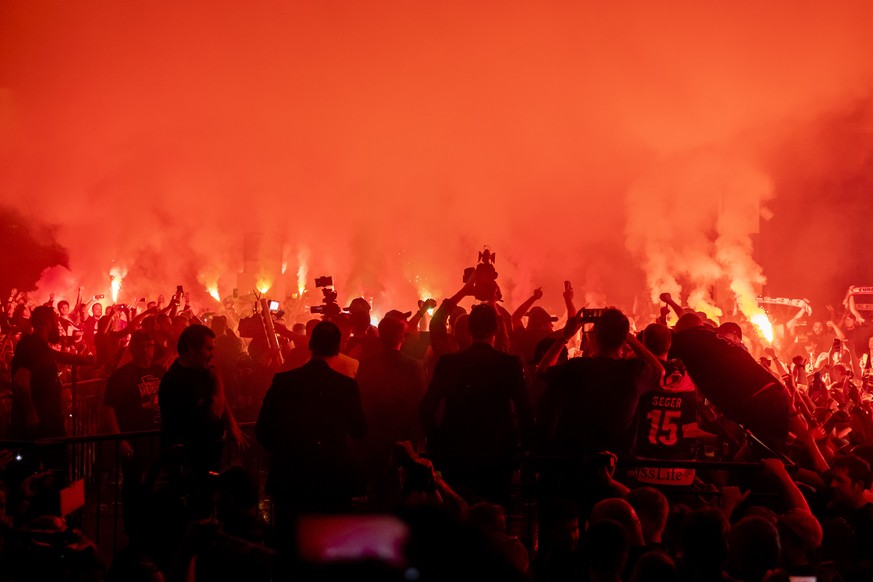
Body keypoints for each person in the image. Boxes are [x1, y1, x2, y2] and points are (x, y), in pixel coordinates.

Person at [255, 321, 367, 534]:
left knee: (290, 545)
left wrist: (287, 452)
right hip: (332, 480)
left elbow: (263, 430)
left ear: (311, 345)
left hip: (290, 481)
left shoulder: (283, 381)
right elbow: (359, 430)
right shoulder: (346, 386)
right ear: (337, 348)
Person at [420, 303, 534, 506]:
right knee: (493, 513)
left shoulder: (449, 363)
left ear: (470, 329)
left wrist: (437, 442)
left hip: (456, 452)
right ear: (496, 330)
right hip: (497, 453)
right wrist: (524, 448)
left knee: (457, 512)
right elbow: (524, 410)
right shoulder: (509, 364)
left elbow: (427, 407)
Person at [158, 324, 245, 516]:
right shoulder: (177, 380)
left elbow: (220, 401)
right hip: (190, 458)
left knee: (209, 502)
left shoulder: (203, 371)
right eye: (209, 348)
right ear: (191, 348)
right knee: (197, 509)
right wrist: (219, 380)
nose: (212, 354)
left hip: (209, 452)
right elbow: (214, 410)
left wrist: (230, 422)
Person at [356, 316, 427, 509]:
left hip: (376, 433)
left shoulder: (367, 364)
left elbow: (361, 398)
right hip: (404, 434)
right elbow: (419, 400)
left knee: (378, 487)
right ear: (402, 338)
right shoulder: (414, 366)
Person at [102, 330, 165, 536]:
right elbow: (109, 408)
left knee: (155, 482)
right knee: (133, 483)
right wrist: (120, 439)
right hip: (133, 438)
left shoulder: (160, 371)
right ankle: (133, 528)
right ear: (134, 347)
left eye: (151, 345)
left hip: (156, 437)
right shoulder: (122, 375)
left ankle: (151, 525)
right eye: (144, 345)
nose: (148, 350)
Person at [11, 306, 94, 440]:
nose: (58, 326)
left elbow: (57, 355)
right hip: (41, 419)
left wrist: (83, 359)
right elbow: (21, 381)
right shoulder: (32, 346)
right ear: (48, 323)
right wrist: (31, 413)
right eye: (56, 321)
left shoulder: (37, 345)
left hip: (46, 415)